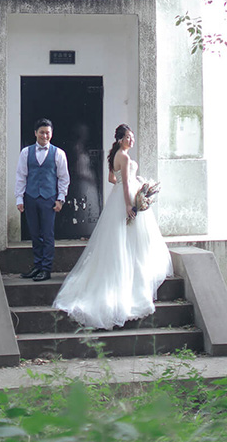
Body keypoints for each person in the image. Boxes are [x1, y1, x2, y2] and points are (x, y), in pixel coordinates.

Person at [53, 123, 172, 328]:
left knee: (123, 239)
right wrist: (129, 203)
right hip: (125, 199)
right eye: (127, 137)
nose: (131, 140)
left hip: (117, 197)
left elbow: (112, 179)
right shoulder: (124, 157)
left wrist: (135, 184)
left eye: (132, 137)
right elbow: (125, 183)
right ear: (119, 139)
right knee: (128, 238)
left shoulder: (114, 155)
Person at [15, 118, 70, 282]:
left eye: (47, 132)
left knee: (47, 234)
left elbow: (63, 178)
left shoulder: (58, 153)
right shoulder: (26, 152)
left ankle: (46, 269)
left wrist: (61, 198)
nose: (45, 135)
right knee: (34, 233)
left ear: (51, 134)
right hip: (31, 197)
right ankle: (37, 265)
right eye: (42, 132)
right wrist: (19, 198)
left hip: (48, 199)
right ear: (35, 133)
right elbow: (21, 176)